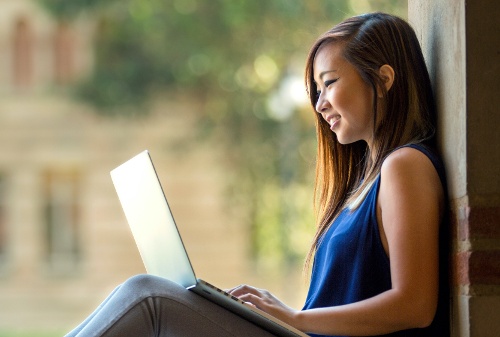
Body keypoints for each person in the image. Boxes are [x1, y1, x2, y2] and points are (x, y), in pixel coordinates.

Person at [65, 12, 450, 337]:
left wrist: (294, 318)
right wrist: (279, 316)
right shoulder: (366, 181)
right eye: (316, 89)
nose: (319, 104)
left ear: (384, 79)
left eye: (329, 82)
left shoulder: (404, 166)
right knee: (151, 297)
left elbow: (415, 305)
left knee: (148, 296)